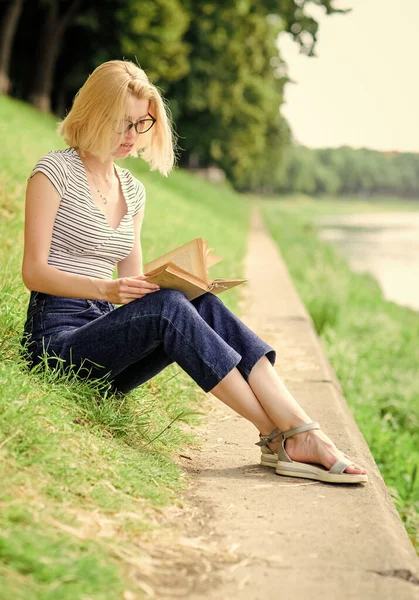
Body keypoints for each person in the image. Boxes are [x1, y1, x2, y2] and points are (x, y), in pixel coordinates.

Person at [21, 59, 368, 484]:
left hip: (107, 348)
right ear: (93, 112)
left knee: (195, 300)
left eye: (141, 125)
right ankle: (284, 436)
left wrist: (179, 283)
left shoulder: (132, 190)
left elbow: (135, 281)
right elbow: (34, 272)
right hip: (57, 346)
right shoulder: (53, 173)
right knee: (168, 306)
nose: (132, 137)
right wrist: (108, 288)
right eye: (122, 124)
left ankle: (296, 425)